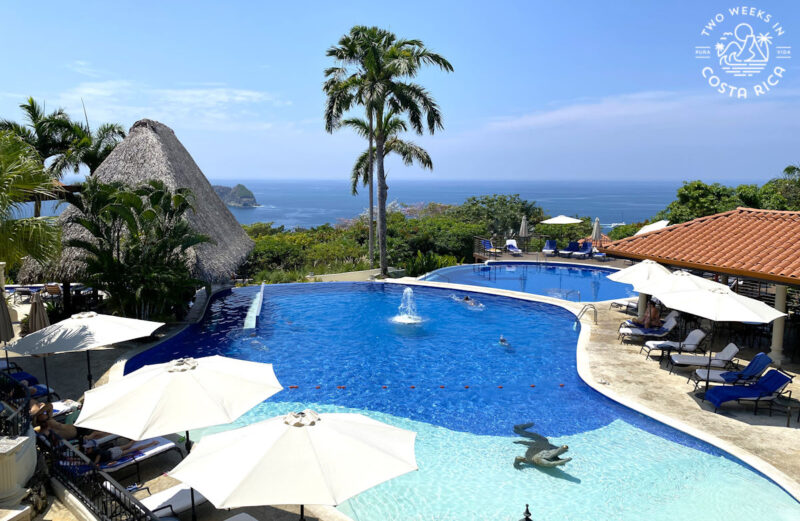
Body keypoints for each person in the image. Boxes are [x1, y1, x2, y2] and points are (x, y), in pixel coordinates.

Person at [84, 439, 158, 465]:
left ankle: (152, 443)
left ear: (92, 448)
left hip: (114, 454)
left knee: (134, 449)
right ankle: (140, 437)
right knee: (129, 445)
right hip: (111, 450)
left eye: (88, 448)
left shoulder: (97, 452)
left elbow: (96, 462)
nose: (86, 450)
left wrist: (92, 463)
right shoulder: (94, 451)